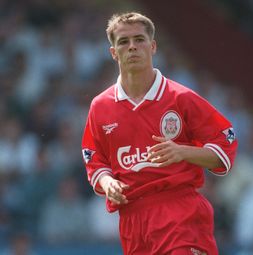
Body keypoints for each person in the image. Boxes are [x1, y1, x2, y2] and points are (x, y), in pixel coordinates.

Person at [81, 12, 238, 255]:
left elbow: (224, 146)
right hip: (132, 220)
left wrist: (182, 152)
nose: (132, 47)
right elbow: (95, 158)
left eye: (139, 39)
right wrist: (107, 181)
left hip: (179, 212)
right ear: (114, 52)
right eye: (123, 41)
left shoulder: (180, 98)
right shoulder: (100, 106)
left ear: (152, 46)